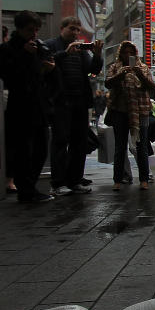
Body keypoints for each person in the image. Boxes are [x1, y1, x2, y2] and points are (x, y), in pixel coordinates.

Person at [0, 10, 57, 202]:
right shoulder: (7, 50)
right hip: (21, 106)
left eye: (37, 30)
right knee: (24, 150)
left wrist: (46, 67)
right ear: (20, 29)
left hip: (38, 105)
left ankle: (29, 186)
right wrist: (26, 55)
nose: (34, 34)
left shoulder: (37, 48)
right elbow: (10, 75)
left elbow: (41, 76)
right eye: (30, 30)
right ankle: (26, 189)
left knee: (40, 148)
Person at [45, 16, 103, 195]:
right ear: (62, 28)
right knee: (61, 141)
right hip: (61, 101)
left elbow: (92, 70)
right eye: (72, 29)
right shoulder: (52, 45)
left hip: (79, 101)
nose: (76, 33)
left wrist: (98, 55)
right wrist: (65, 53)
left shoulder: (81, 51)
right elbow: (47, 64)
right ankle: (58, 182)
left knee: (79, 143)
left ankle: (75, 180)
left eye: (78, 30)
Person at [105, 41, 155, 191]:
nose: (128, 56)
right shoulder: (115, 68)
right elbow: (108, 83)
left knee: (142, 147)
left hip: (141, 112)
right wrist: (121, 74)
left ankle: (144, 179)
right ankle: (118, 180)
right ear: (120, 54)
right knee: (120, 147)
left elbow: (152, 86)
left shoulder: (143, 68)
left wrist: (139, 74)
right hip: (120, 111)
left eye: (131, 53)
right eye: (125, 53)